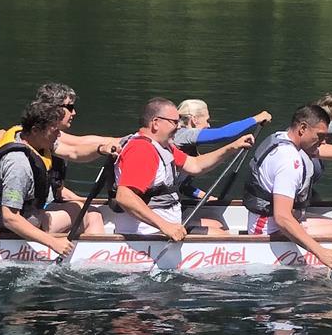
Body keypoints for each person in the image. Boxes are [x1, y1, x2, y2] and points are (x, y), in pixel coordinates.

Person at [241, 102, 332, 269]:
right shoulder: (288, 160)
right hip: (269, 230)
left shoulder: (285, 138)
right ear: (302, 128)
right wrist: (320, 252)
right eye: (320, 136)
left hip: (280, 221)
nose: (322, 142)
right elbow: (282, 217)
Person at [110, 97, 257, 242]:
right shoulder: (142, 150)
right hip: (148, 233)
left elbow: (195, 165)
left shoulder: (162, 146)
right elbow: (125, 197)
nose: (179, 126)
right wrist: (165, 226)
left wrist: (232, 147)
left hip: (163, 227)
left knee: (217, 226)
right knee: (221, 236)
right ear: (156, 123)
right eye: (174, 122)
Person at [0, 100, 97, 257]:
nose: (58, 136)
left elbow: (76, 152)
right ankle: (97, 261)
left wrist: (101, 149)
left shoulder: (32, 143)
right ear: (35, 130)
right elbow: (10, 218)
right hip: (9, 229)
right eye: (54, 131)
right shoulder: (18, 164)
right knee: (91, 216)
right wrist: (53, 243)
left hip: (29, 216)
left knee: (83, 210)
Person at [175, 100, 272, 151]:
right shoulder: (183, 134)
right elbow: (224, 133)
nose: (209, 125)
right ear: (194, 120)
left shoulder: (184, 137)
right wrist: (257, 118)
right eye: (206, 120)